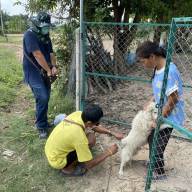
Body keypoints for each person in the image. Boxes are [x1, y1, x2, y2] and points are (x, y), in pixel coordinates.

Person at [136, 41, 184, 180]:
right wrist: (150, 101)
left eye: (142, 61)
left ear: (152, 56)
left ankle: (159, 172)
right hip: (161, 111)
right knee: (152, 138)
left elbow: (173, 100)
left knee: (157, 143)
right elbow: (159, 91)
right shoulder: (158, 67)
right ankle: (154, 163)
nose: (142, 64)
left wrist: (160, 119)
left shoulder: (169, 72)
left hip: (170, 116)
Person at [45, 104, 124, 176]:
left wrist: (112, 133)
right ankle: (67, 170)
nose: (98, 124)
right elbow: (89, 165)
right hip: (57, 160)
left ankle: (79, 157)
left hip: (51, 150)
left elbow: (94, 127)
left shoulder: (78, 114)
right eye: (97, 123)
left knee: (91, 136)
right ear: (89, 122)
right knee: (86, 145)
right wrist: (108, 152)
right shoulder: (79, 137)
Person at [22, 12, 57, 139]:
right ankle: (41, 126)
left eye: (47, 27)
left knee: (45, 97)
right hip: (33, 72)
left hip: (45, 69)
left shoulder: (46, 35)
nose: (46, 29)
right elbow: (37, 54)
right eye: (44, 27)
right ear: (37, 25)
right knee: (42, 96)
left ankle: (43, 121)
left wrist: (54, 67)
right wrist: (48, 70)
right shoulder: (29, 35)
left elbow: (51, 53)